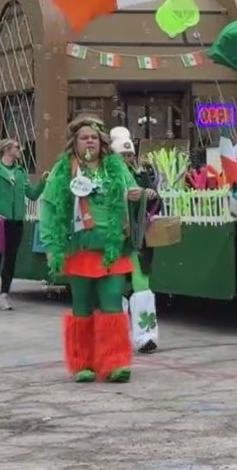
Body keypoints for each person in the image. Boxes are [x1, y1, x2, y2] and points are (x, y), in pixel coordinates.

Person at [40, 115, 140, 383]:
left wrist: (136, 196)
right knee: (82, 306)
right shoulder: (63, 170)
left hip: (112, 248)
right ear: (75, 142)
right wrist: (51, 247)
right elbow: (48, 208)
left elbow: (134, 194)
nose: (90, 142)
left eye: (94, 137)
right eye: (84, 137)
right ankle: (82, 363)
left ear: (102, 142)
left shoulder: (116, 167)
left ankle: (115, 362)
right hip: (80, 249)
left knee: (112, 303)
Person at [0, 138, 46, 311]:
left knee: (11, 258)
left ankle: (4, 294)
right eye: (17, 147)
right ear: (6, 149)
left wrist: (42, 183)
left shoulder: (20, 171)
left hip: (16, 220)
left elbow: (31, 195)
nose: (21, 149)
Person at [112, 126, 161, 354]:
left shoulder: (141, 175)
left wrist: (150, 195)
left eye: (129, 154)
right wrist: (124, 196)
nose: (127, 159)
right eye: (122, 155)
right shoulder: (106, 176)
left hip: (138, 239)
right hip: (115, 239)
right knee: (116, 287)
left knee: (142, 284)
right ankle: (117, 335)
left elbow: (156, 203)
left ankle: (146, 336)